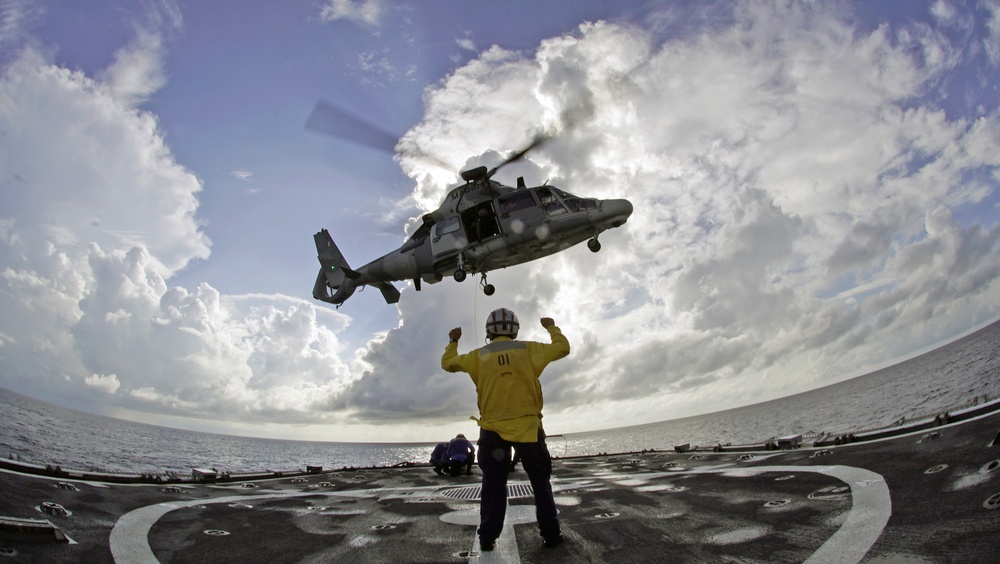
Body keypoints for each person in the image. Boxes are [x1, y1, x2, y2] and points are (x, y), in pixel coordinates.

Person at [441, 308, 570, 551]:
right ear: (515, 330)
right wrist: (551, 327)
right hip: (528, 428)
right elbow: (563, 348)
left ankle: (487, 538)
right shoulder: (529, 349)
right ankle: (551, 535)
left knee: (493, 485)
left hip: (492, 429)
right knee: (540, 483)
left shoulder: (477, 356)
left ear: (489, 332)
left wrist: (453, 341)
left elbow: (447, 363)